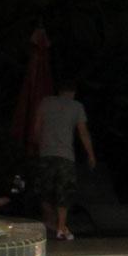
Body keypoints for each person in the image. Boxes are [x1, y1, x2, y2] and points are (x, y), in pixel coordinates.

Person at [34, 79, 96, 241]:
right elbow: (83, 133)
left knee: (45, 190)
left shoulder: (45, 102)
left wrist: (38, 146)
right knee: (64, 192)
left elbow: (36, 128)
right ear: (73, 92)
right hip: (65, 156)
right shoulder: (76, 106)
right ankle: (61, 227)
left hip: (46, 153)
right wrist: (90, 155)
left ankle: (50, 220)